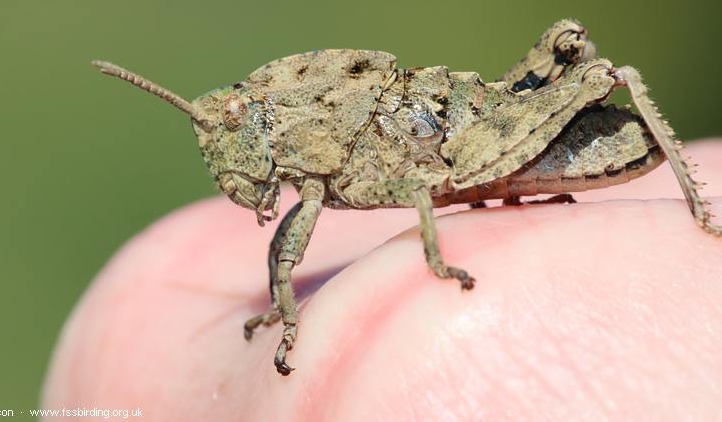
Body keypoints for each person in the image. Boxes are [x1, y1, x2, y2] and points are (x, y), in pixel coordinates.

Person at [42, 141, 722, 420]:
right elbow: (286, 243)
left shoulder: (355, 153)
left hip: (508, 139)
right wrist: (283, 310)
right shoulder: (311, 186)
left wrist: (436, 266)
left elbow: (417, 180)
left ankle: (702, 206)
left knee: (599, 65)